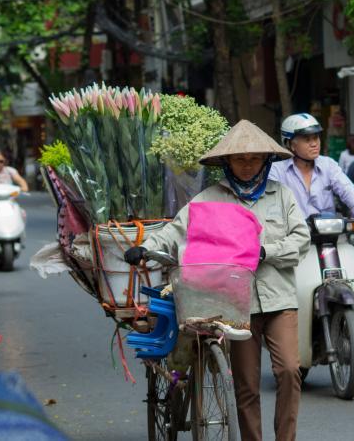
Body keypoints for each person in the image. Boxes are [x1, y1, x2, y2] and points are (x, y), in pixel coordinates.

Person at [125, 120, 311, 441]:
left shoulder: (281, 195)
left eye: (254, 158)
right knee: (246, 384)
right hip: (234, 306)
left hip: (280, 299)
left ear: (266, 161)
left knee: (289, 371)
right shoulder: (209, 198)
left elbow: (301, 238)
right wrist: (145, 248)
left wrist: (267, 251)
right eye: (239, 158)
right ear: (226, 162)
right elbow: (175, 231)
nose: (247, 165)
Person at [269, 113, 354, 353]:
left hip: (331, 239)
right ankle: (289, 339)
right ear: (290, 143)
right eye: (306, 138)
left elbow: (348, 190)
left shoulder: (329, 165)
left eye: (316, 137)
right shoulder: (276, 171)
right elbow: (271, 203)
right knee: (291, 292)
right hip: (296, 242)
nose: (314, 142)